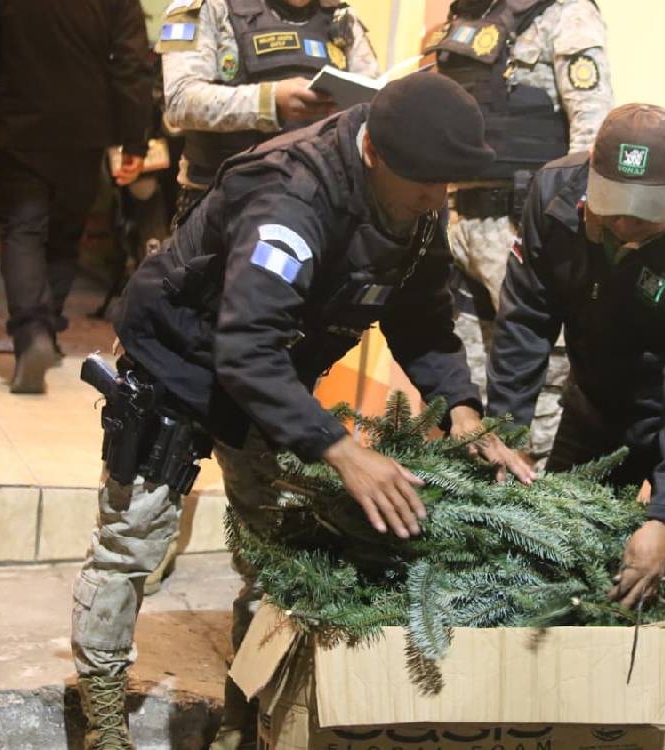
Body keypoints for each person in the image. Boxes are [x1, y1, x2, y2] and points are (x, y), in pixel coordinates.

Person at [70, 72, 533, 750]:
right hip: (180, 359)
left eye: (448, 185)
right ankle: (101, 718)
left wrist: (462, 409)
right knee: (132, 538)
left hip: (270, 373)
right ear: (374, 153)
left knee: (280, 555)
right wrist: (340, 449)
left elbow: (424, 318)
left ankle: (246, 715)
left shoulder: (418, 197)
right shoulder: (290, 194)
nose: (439, 200)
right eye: (428, 184)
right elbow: (243, 346)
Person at [486, 103, 665, 744]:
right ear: (589, 179)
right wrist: (502, 432)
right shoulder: (553, 198)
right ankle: (564, 723)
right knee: (560, 565)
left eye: (644, 213)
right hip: (598, 404)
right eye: (609, 208)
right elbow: (525, 321)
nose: (625, 226)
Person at [145, 0, 378, 596]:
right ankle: (153, 534)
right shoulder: (206, 9)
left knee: (259, 403)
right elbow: (179, 102)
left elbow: (380, 103)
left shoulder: (343, 20)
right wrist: (269, 102)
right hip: (211, 232)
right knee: (177, 398)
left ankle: (262, 567)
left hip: (306, 235)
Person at [428, 0, 613, 464]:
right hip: (458, 221)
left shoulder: (567, 14)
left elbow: (591, 134)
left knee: (542, 372)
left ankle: (542, 511)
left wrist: (562, 225)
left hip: (520, 223)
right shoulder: (469, 14)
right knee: (462, 382)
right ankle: (470, 513)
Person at [0, 0, 152, 393]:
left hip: (21, 126)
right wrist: (134, 136)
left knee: (23, 230)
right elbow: (130, 62)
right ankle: (44, 325)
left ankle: (32, 332)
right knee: (65, 235)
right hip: (86, 130)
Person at [158, 0, 379, 227]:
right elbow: (180, 101)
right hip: (221, 203)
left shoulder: (340, 16)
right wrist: (270, 101)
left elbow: (372, 97)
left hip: (317, 203)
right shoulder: (211, 7)